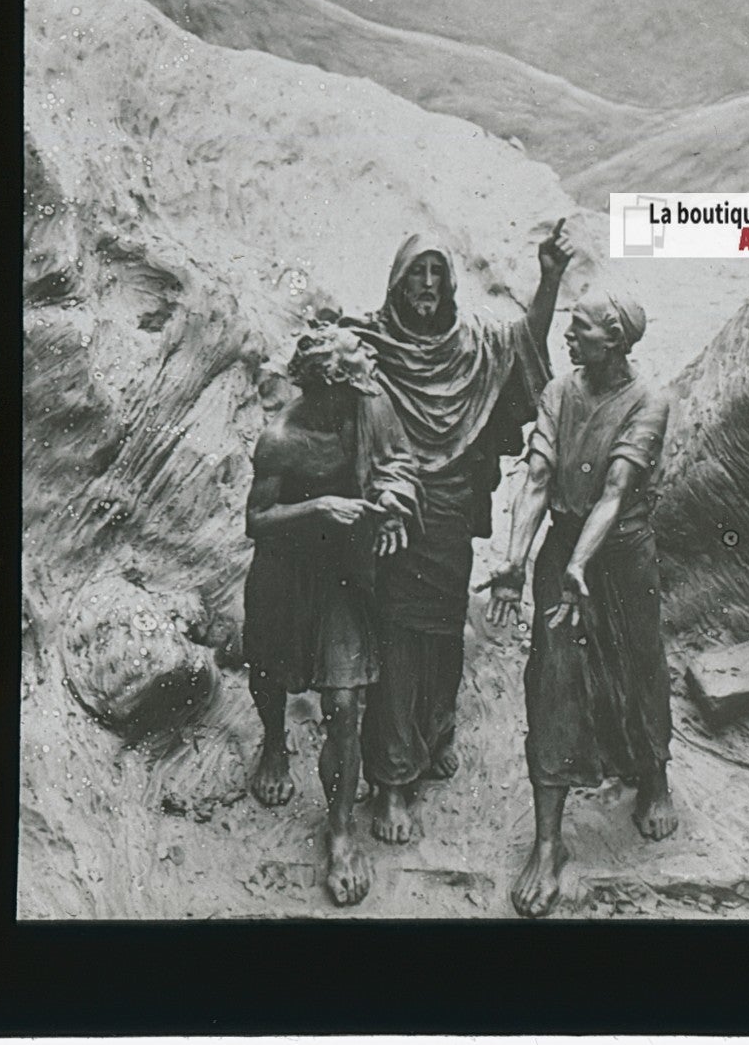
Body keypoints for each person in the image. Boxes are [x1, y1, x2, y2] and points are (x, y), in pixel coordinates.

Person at [346, 222, 573, 843]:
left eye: (436, 273)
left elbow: (526, 344)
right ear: (397, 281)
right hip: (393, 515)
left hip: (449, 512)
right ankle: (392, 779)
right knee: (396, 639)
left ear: (448, 283)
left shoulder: (472, 344)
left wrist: (548, 281)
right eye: (416, 273)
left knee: (444, 630)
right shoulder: (371, 345)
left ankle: (437, 730)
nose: (426, 285)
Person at [484, 292, 678, 919]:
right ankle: (547, 844)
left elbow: (617, 491)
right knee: (553, 677)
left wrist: (579, 565)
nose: (569, 341)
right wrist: (515, 560)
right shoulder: (560, 392)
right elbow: (539, 478)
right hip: (563, 546)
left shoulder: (649, 400)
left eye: (580, 332)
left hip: (621, 555)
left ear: (614, 341)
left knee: (637, 665)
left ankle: (653, 776)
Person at [242, 323, 421, 907]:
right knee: (269, 675)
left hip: (341, 575)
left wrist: (392, 506)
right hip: (285, 574)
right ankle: (274, 742)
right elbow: (257, 521)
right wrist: (318, 504)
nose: (369, 370)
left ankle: (340, 832)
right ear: (328, 386)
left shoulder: (369, 405)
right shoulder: (280, 440)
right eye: (355, 367)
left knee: (344, 704)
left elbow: (398, 463)